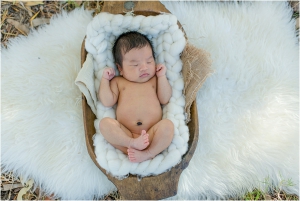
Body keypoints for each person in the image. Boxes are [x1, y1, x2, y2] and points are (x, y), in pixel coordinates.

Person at [98, 31, 174, 163]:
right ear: (120, 68)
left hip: (152, 134)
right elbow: (107, 101)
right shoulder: (119, 82)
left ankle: (149, 153)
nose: (144, 68)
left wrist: (162, 77)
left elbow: (165, 98)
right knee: (104, 124)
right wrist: (105, 80)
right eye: (135, 64)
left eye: (149, 61)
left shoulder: (154, 80)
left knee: (168, 126)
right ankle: (132, 145)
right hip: (126, 135)